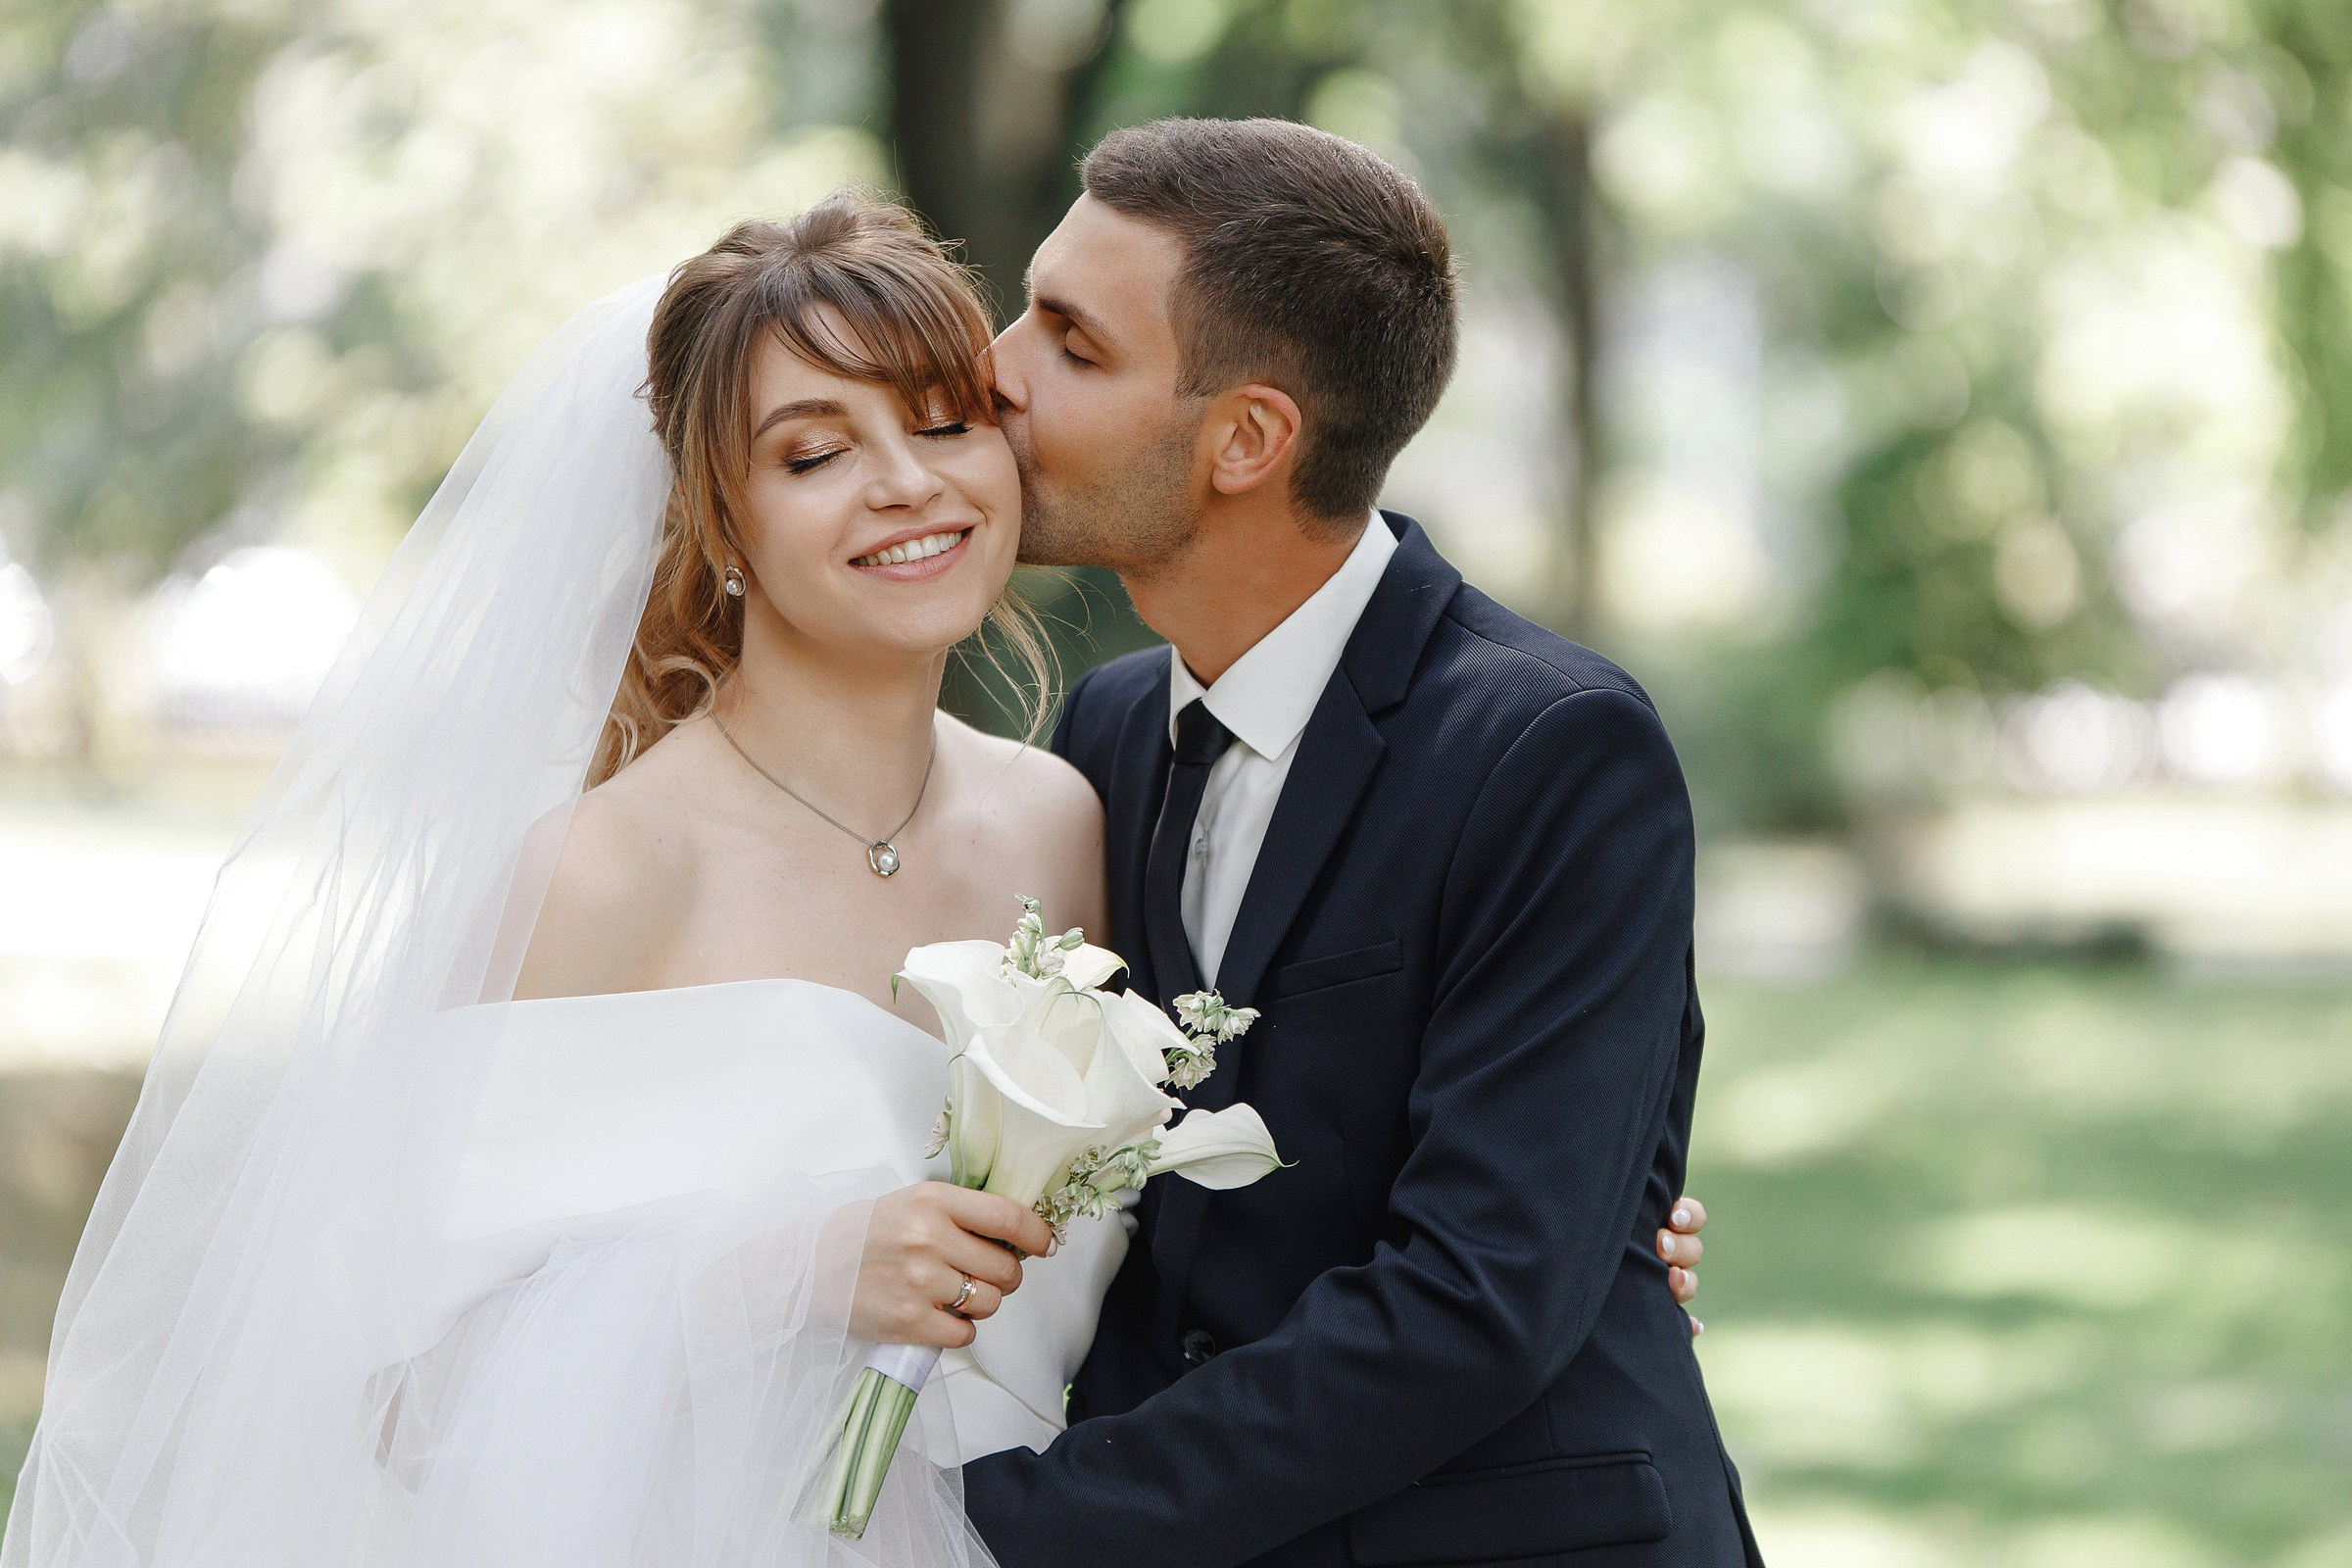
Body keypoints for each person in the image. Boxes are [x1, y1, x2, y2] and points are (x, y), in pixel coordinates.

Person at [2, 180, 1710, 1568]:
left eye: (945, 414)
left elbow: (1249, 1163)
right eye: (814, 452)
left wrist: (1585, 1225)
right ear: (718, 520)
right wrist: (801, 1267)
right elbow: (397, 1394)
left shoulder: (1076, 802)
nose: (922, 473)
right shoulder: (600, 870)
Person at [960, 118, 1762, 1566]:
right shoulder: (1105, 737)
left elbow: (1473, 1301)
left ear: (1248, 440)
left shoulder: (1553, 750)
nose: (993, 368)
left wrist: (1007, 1529)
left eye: (1071, 344)